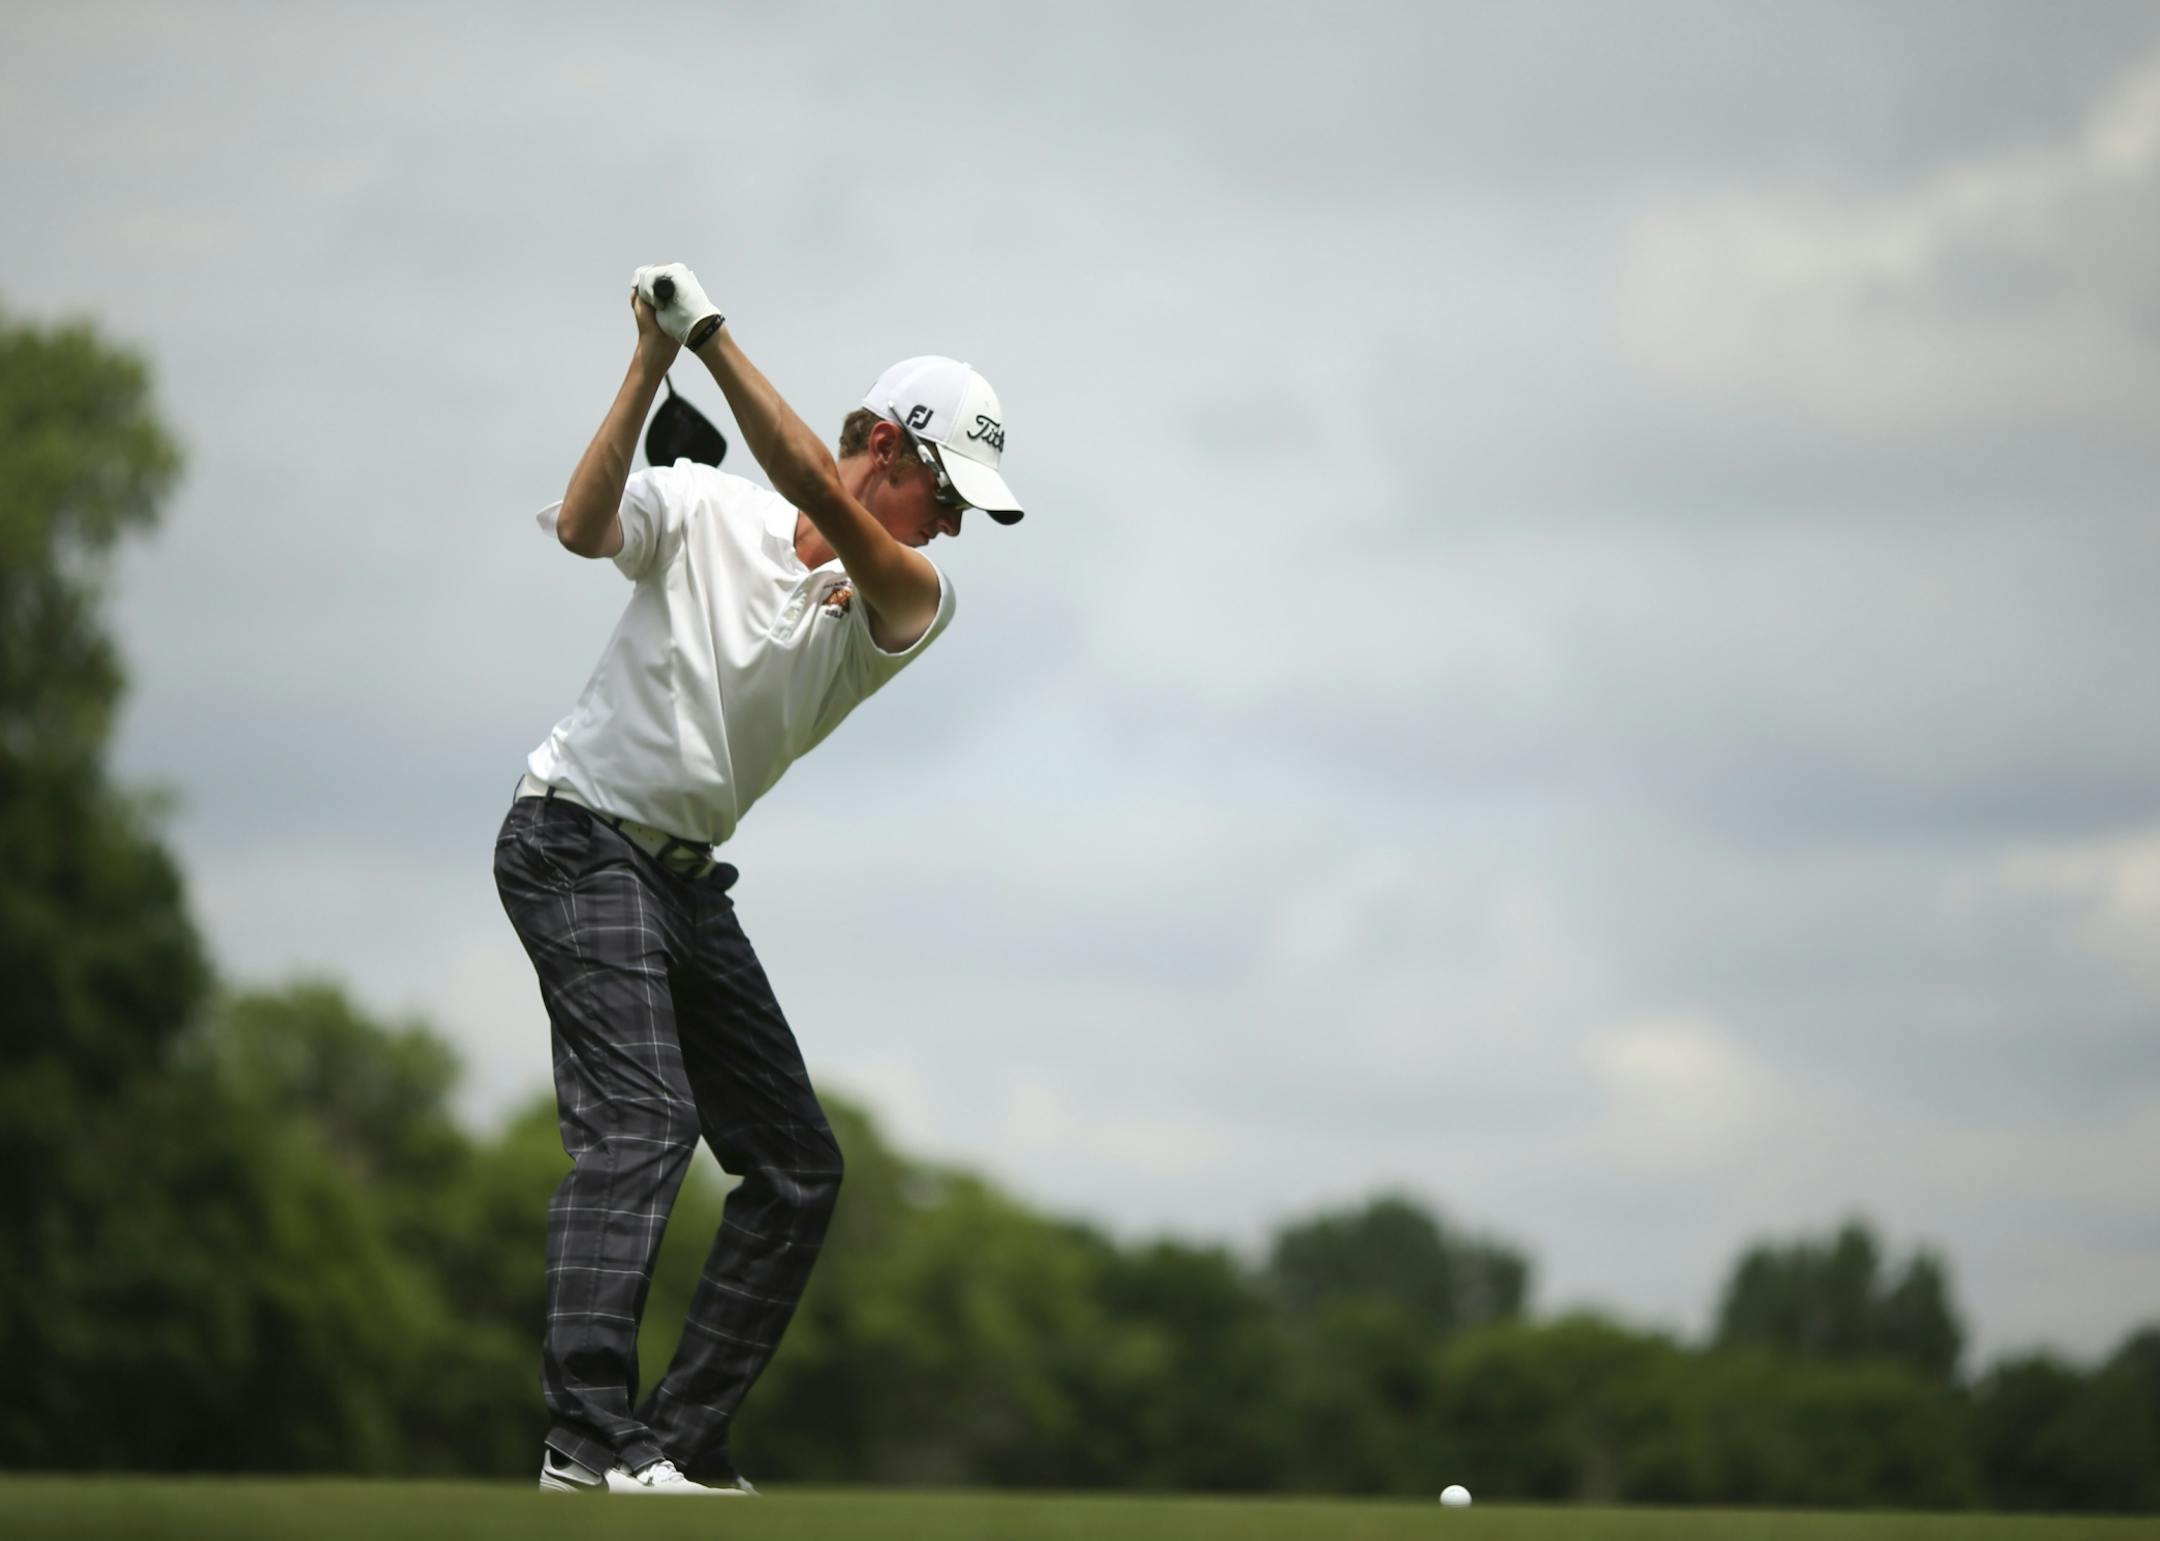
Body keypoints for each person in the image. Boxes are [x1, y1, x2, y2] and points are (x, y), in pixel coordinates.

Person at [493, 262, 1023, 1496]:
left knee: (797, 1163)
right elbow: (582, 526)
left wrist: (711, 335)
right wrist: (651, 362)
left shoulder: (912, 592)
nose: (947, 527)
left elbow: (800, 484)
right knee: (646, 1120)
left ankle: (678, 1440)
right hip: (573, 836)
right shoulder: (697, 506)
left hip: (678, 878)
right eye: (941, 493)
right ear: (886, 446)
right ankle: (587, 1438)